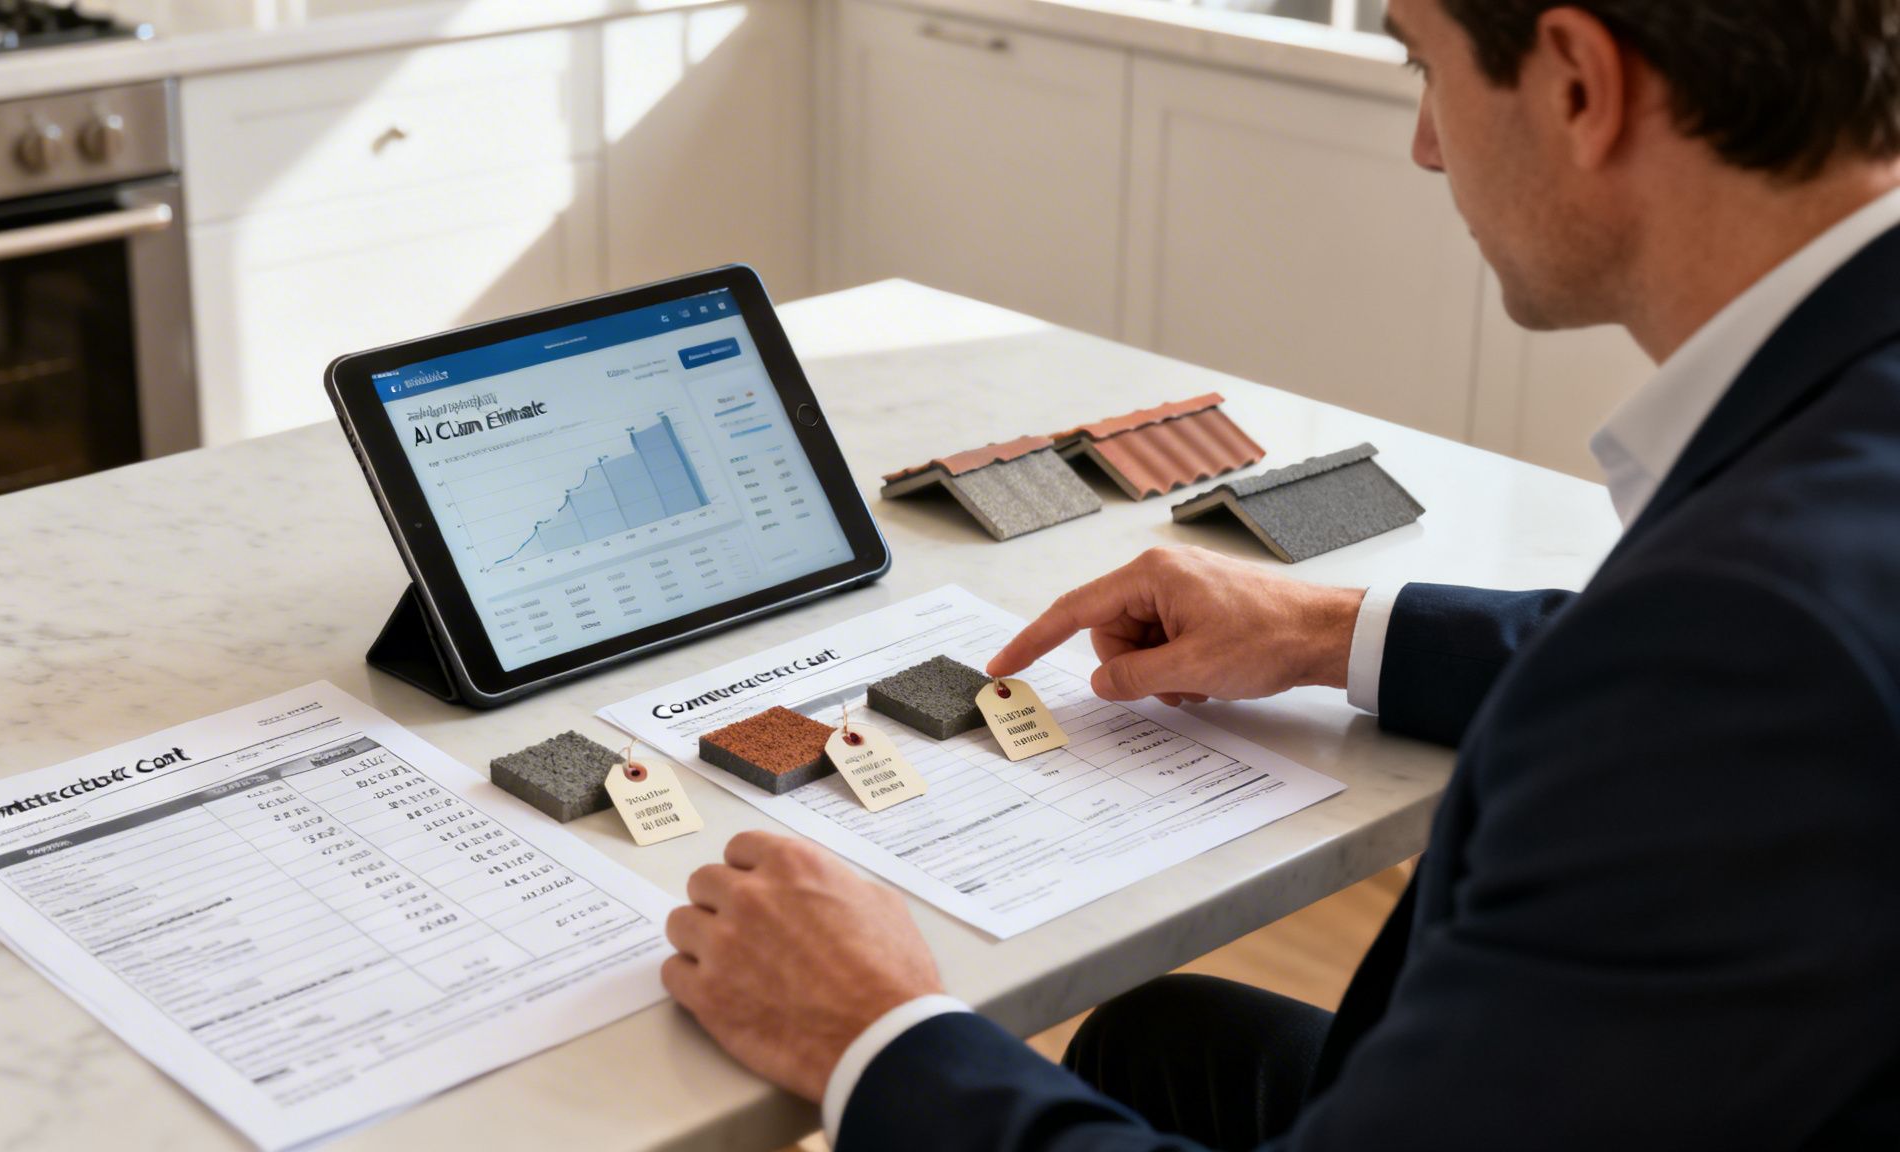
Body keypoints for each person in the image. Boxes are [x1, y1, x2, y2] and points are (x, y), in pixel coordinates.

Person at [658, 0, 1900, 1146]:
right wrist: (1328, 630)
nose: (1424, 146)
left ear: (1577, 83)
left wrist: (871, 1032)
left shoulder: (1746, 641)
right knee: (1166, 1041)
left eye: (1424, 62)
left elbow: (1715, 675)